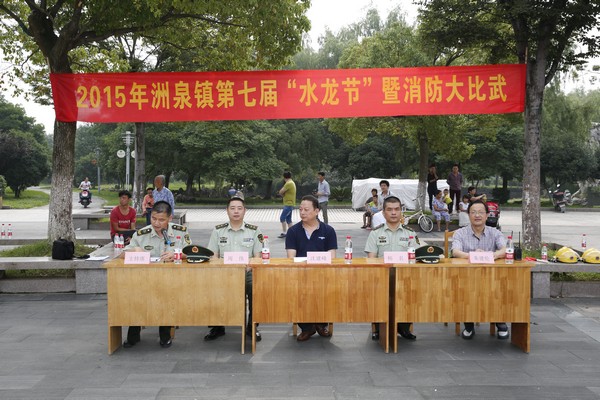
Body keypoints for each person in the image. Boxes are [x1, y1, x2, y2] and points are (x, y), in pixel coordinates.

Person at [121, 200, 192, 349]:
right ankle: (133, 333)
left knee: (166, 296)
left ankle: (164, 334)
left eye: (161, 220)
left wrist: (177, 254)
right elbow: (123, 254)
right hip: (145, 279)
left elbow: (191, 251)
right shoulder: (142, 234)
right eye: (153, 218)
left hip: (172, 280)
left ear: (170, 218)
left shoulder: (180, 231)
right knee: (136, 295)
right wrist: (135, 250)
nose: (156, 223)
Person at [205, 195, 264, 342]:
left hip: (247, 272)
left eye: (239, 208)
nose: (236, 211)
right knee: (211, 286)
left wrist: (249, 267)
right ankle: (217, 326)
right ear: (227, 211)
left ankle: (252, 326)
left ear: (245, 211)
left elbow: (258, 257)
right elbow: (213, 256)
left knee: (256, 288)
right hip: (223, 273)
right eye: (232, 208)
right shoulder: (218, 230)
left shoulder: (254, 231)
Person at [451, 200, 508, 340]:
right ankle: (468, 324)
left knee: (499, 288)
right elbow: (455, 251)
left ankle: (500, 322)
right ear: (468, 215)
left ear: (487, 215)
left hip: (491, 277)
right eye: (473, 212)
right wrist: (473, 255)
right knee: (465, 290)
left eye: (481, 212)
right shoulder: (460, 233)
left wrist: (491, 255)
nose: (477, 215)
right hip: (467, 276)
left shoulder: (495, 233)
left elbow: (505, 249)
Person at [364, 195, 418, 341]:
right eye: (389, 210)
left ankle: (404, 327)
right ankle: (378, 327)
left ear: (401, 211)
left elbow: (416, 258)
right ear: (383, 213)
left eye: (397, 209)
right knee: (377, 291)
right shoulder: (375, 233)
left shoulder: (410, 233)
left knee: (410, 290)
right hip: (381, 277)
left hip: (405, 277)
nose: (393, 213)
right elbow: (371, 259)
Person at [285, 195, 337, 342]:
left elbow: (332, 256)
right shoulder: (293, 231)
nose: (302, 212)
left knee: (327, 289)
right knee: (298, 290)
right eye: (300, 209)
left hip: (323, 273)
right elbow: (291, 257)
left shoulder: (328, 230)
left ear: (316, 211)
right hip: (300, 273)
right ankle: (306, 327)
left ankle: (321, 324)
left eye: (306, 210)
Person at [277, 171, 296, 238]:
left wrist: (282, 194)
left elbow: (280, 192)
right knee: (288, 220)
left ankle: (284, 232)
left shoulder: (288, 183)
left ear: (284, 177)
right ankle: (292, 233)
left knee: (282, 218)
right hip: (290, 203)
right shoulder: (292, 182)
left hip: (288, 204)